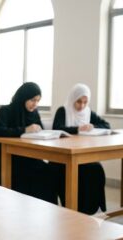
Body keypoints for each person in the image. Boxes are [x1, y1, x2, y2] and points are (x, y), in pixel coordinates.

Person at [0, 82, 61, 204]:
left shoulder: (34, 113)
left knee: (49, 172)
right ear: (23, 97)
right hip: (4, 159)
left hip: (28, 158)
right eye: (32, 100)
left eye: (38, 101)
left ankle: (49, 211)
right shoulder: (6, 110)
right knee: (25, 177)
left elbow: (40, 130)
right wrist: (24, 130)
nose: (35, 104)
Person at [52, 83, 108, 214]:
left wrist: (93, 125)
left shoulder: (88, 113)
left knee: (96, 169)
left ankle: (89, 210)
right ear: (73, 99)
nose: (81, 105)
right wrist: (77, 129)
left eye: (85, 102)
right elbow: (57, 128)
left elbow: (106, 125)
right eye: (78, 101)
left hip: (81, 154)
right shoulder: (63, 110)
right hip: (62, 157)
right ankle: (74, 207)